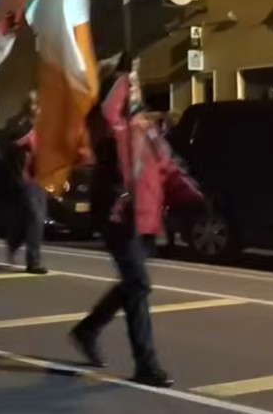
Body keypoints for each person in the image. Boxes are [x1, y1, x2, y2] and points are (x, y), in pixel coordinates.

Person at [69, 55, 203, 388]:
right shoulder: (107, 125)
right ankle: (146, 364)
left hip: (146, 218)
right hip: (119, 217)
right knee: (138, 285)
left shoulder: (147, 127)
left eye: (135, 81)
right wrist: (123, 74)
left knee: (132, 285)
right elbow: (108, 111)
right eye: (129, 81)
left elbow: (168, 168)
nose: (134, 86)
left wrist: (195, 199)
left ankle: (88, 329)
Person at [3, 91, 48, 275]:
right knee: (35, 217)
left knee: (33, 219)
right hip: (23, 178)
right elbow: (11, 143)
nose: (37, 108)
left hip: (41, 178)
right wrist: (29, 135)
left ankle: (13, 242)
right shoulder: (18, 123)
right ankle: (33, 262)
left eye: (40, 105)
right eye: (34, 104)